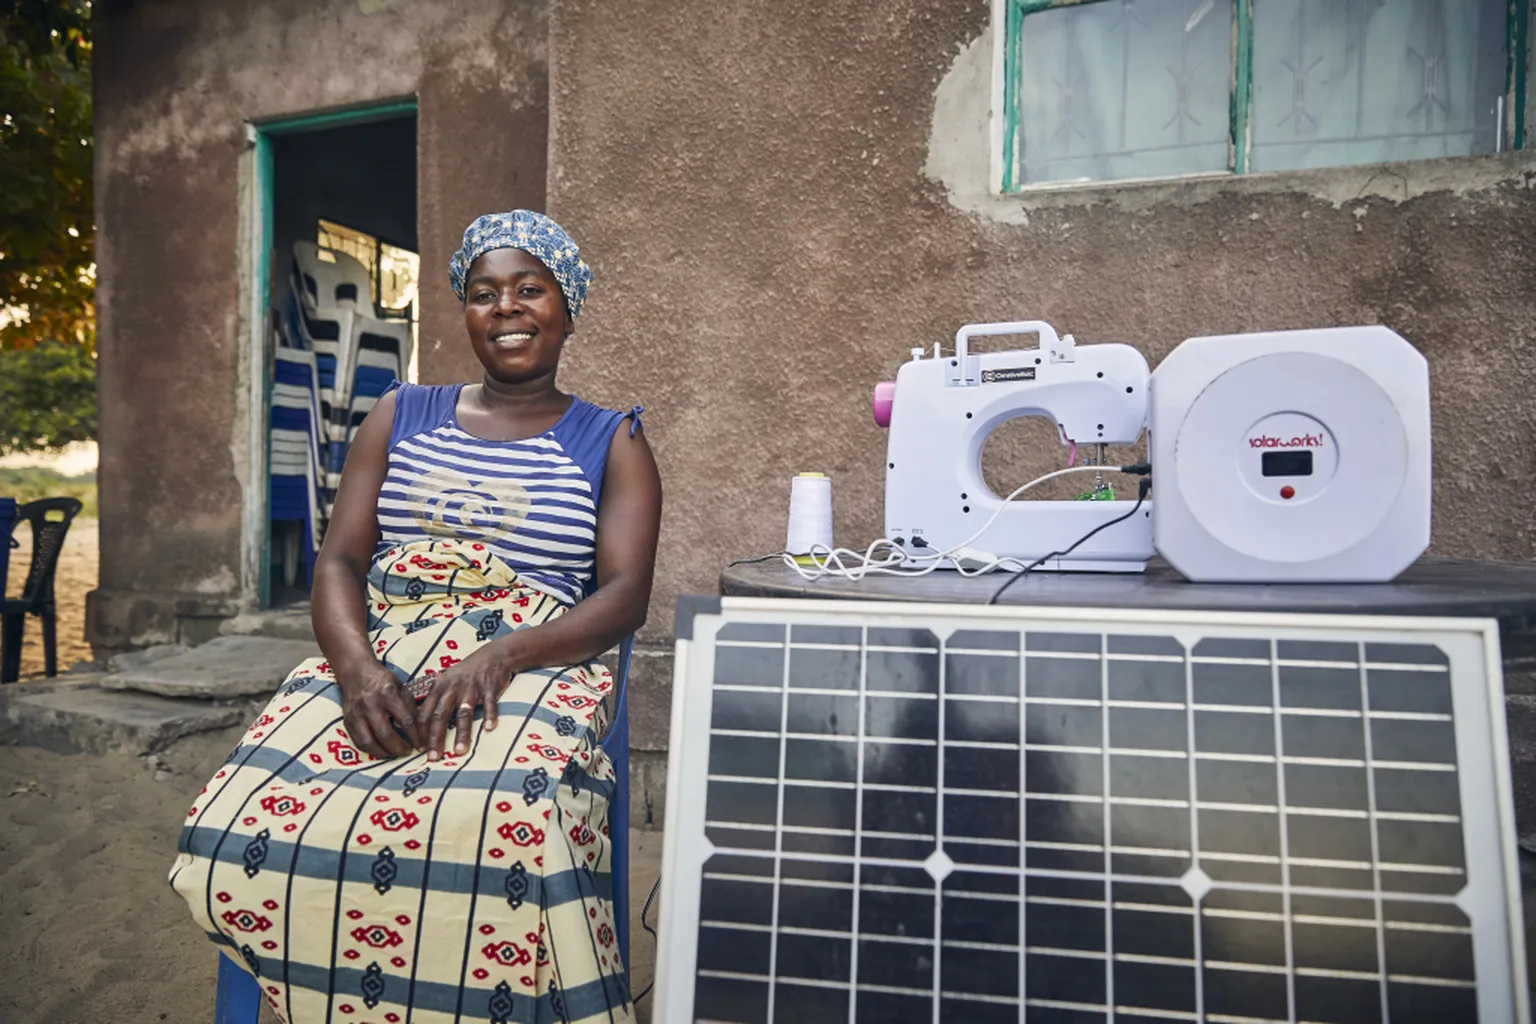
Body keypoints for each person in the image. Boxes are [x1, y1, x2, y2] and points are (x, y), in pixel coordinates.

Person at [170, 210, 662, 1024]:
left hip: (532, 652)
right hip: (389, 643)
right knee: (235, 823)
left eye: (529, 290)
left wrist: (502, 656)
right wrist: (357, 671)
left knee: (504, 818)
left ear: (567, 309)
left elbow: (622, 595)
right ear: (464, 313)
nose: (505, 308)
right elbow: (338, 563)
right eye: (483, 294)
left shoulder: (611, 442)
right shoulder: (401, 413)